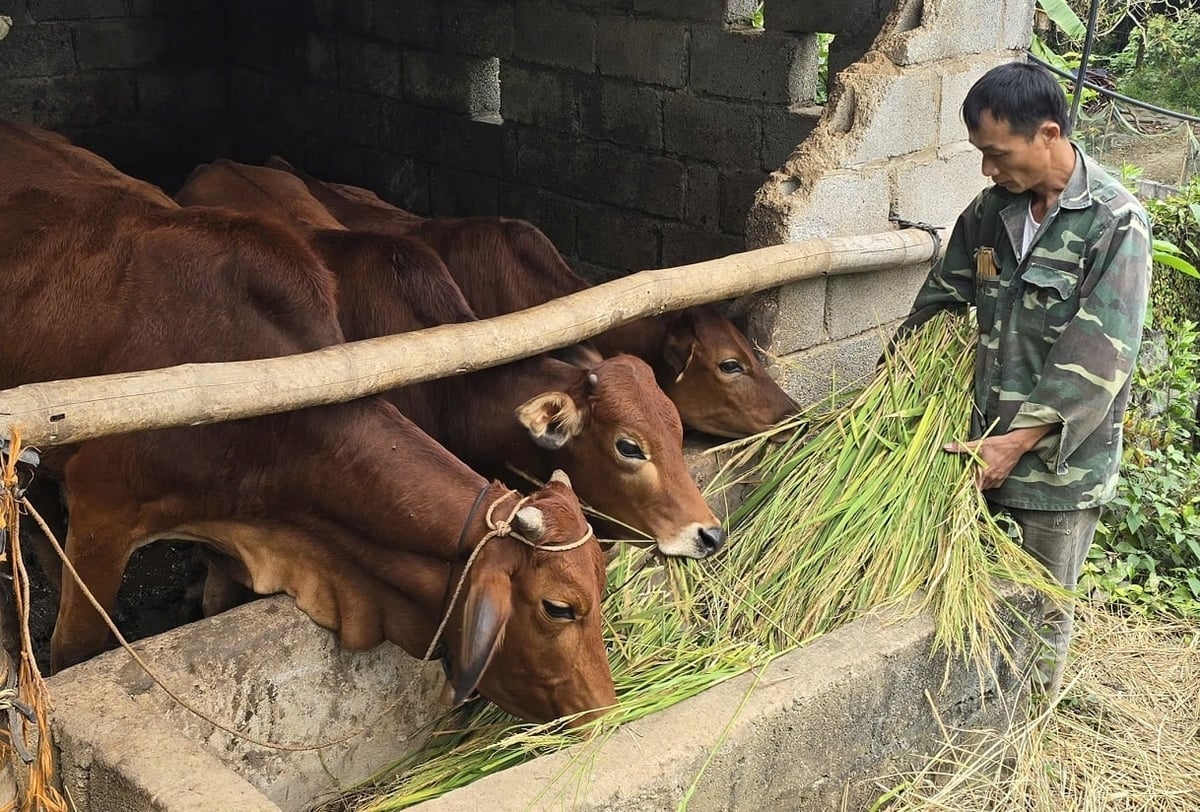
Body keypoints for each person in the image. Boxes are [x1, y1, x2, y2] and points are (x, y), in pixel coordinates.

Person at [900, 61, 1152, 698]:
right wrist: (893, 382)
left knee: (1039, 615)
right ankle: (965, 714)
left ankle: (1022, 730)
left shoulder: (1113, 222)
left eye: (998, 153)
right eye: (981, 154)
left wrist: (1016, 443)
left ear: (1047, 133)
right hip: (974, 448)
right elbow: (941, 303)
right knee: (965, 601)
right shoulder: (993, 211)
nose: (988, 169)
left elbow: (1101, 354)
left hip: (1054, 468)